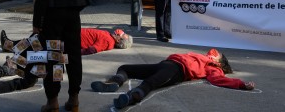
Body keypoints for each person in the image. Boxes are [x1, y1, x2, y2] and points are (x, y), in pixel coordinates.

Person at [90, 48, 255, 109]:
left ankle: (130, 98)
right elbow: (212, 51)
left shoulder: (213, 66)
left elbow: (218, 79)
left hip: (177, 70)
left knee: (150, 83)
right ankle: (114, 82)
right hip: (166, 64)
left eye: (218, 54)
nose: (213, 52)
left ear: (220, 61)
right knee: (126, 68)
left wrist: (240, 84)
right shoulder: (208, 58)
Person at [0, 28, 133, 55]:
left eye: (123, 35)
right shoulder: (108, 36)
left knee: (38, 41)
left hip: (68, 40)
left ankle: (9, 45)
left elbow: (93, 49)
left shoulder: (107, 41)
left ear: (119, 40)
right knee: (37, 40)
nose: (121, 32)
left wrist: (75, 52)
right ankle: (10, 45)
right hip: (68, 35)